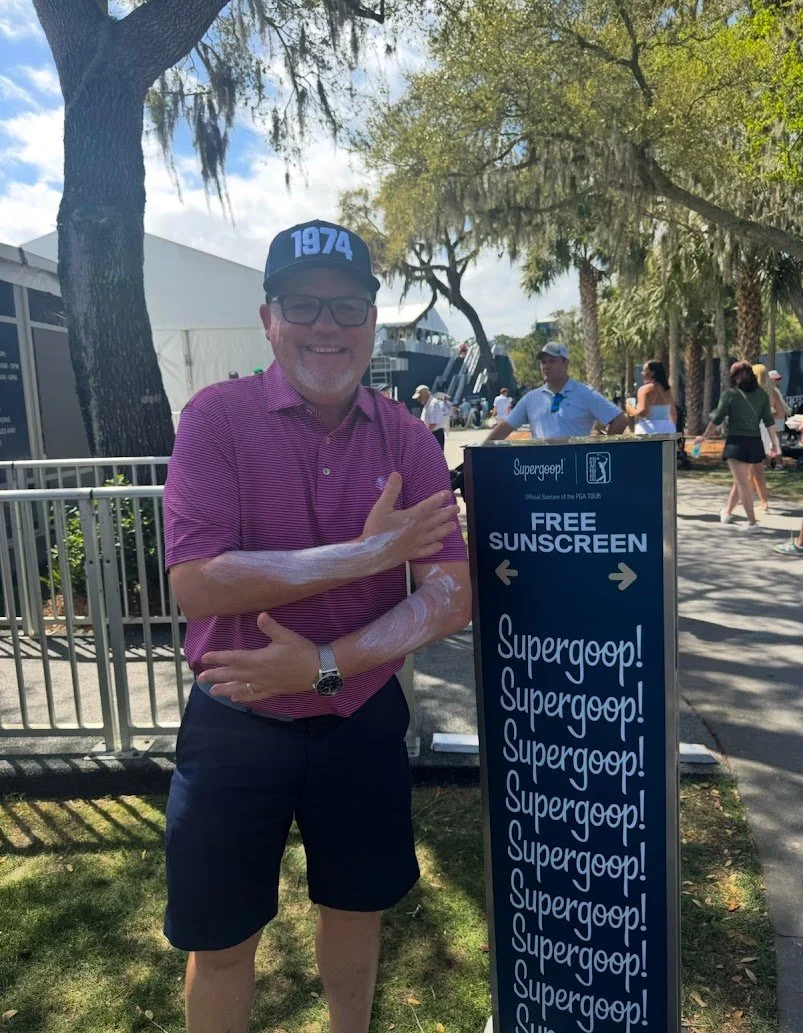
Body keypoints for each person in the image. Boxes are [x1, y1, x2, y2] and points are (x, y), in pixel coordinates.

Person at [162, 217, 470, 1033]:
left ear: (372, 320)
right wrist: (367, 554)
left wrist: (325, 663)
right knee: (221, 939)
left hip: (358, 718)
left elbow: (448, 593)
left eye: (347, 308)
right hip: (233, 721)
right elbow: (197, 584)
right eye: (302, 305)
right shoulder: (216, 419)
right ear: (268, 317)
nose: (325, 328)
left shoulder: (409, 436)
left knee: (356, 912)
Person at [694, 360, 779, 532]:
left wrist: (704, 437)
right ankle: (727, 512)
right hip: (754, 442)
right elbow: (769, 422)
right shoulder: (762, 394)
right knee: (741, 480)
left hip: (737, 443)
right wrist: (775, 444)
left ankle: (752, 523)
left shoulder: (730, 394)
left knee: (742, 483)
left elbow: (716, 419)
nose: (741, 377)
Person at [484, 342, 628, 442]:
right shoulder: (531, 398)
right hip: (542, 471)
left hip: (576, 471)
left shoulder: (585, 393)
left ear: (565, 363)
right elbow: (505, 427)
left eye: (552, 361)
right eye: (543, 362)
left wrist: (603, 449)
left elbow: (620, 420)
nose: (546, 366)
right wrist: (480, 452)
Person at [749, 364, 780, 510]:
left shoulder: (751, 392)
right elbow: (780, 413)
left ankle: (762, 500)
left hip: (754, 430)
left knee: (754, 468)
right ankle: (749, 497)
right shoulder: (772, 392)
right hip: (768, 430)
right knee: (754, 467)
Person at [627, 359, 677, 434]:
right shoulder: (667, 390)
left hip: (648, 430)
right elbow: (674, 414)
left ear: (652, 373)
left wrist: (630, 408)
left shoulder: (644, 389)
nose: (642, 373)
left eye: (644, 371)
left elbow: (643, 412)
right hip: (668, 429)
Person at [412, 384, 447, 449]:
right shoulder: (427, 404)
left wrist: (424, 435)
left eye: (419, 397)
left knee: (434, 457)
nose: (418, 400)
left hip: (435, 435)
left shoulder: (433, 403)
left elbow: (433, 423)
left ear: (425, 395)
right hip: (431, 434)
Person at [768, 369, 790, 470]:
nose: (778, 381)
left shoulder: (775, 390)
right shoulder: (772, 390)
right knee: (776, 442)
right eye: (776, 379)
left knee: (776, 442)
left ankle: (775, 462)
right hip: (775, 420)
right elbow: (771, 406)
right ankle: (778, 463)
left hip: (778, 419)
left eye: (779, 379)